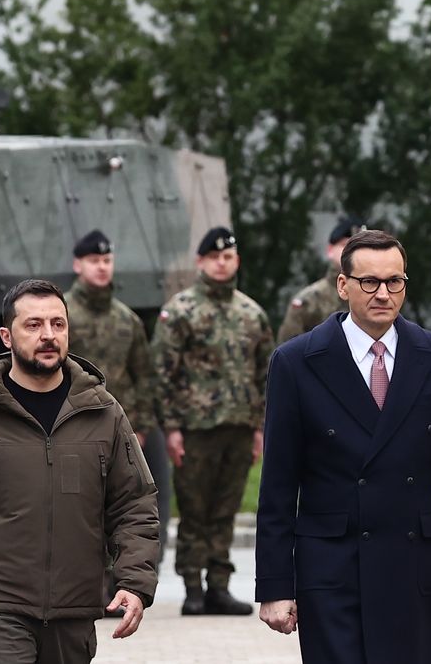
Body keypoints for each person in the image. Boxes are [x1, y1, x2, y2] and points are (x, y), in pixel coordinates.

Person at [255, 230, 431, 663]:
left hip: (410, 568)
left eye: (394, 281)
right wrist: (274, 587)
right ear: (343, 285)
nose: (383, 293)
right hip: (331, 571)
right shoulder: (296, 362)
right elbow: (277, 486)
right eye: (369, 282)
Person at [0, 279, 159, 663]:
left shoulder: (104, 414)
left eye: (58, 324)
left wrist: (135, 582)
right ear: (7, 336)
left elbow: (135, 505)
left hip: (74, 613)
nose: (48, 335)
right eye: (34, 325)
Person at [151, 226, 274, 616]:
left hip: (239, 426)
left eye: (229, 256)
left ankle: (219, 586)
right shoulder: (181, 310)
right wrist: (171, 428)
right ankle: (192, 587)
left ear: (236, 261)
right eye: (215, 257)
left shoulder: (251, 313)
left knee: (225, 509)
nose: (222, 263)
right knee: (194, 510)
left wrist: (260, 427)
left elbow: (265, 374)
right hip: (194, 428)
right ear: (201, 261)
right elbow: (163, 373)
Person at [64, 229, 170, 566]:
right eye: (94, 261)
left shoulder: (128, 320)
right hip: (73, 428)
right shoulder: (62, 316)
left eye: (107, 261)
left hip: (118, 431)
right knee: (79, 509)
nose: (101, 267)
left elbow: (145, 378)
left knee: (121, 507)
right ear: (78, 265)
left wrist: (138, 426)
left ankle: (119, 580)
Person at [278, 218, 368, 344]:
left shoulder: (380, 295)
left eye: (361, 248)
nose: (353, 253)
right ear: (330, 250)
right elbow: (288, 354)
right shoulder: (309, 301)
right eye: (345, 245)